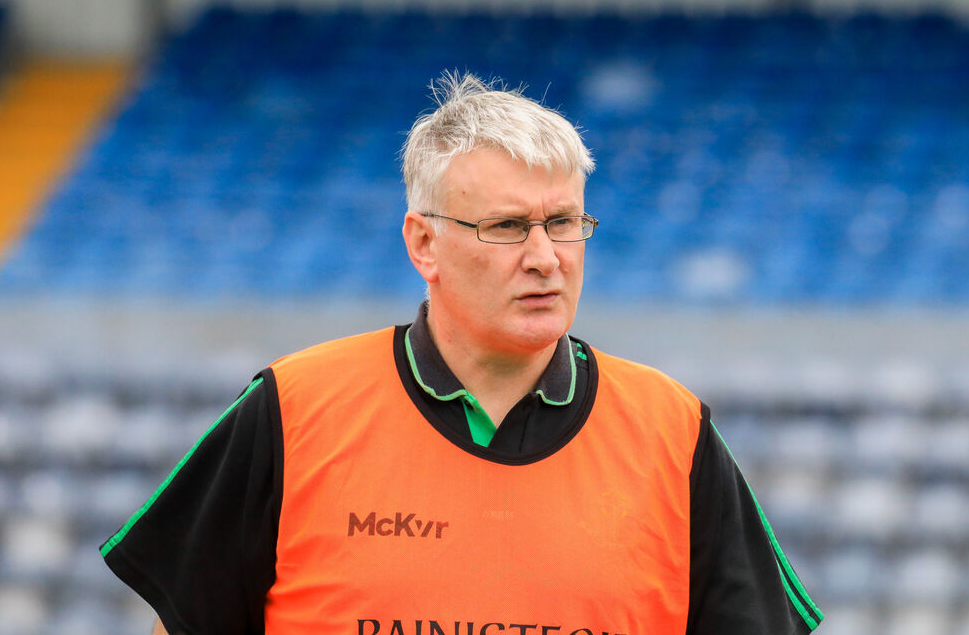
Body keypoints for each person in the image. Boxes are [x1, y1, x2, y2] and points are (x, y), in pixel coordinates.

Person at [101, 72, 822, 635]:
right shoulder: (294, 409)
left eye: (564, 223)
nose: (547, 258)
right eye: (509, 227)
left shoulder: (672, 429)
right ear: (423, 242)